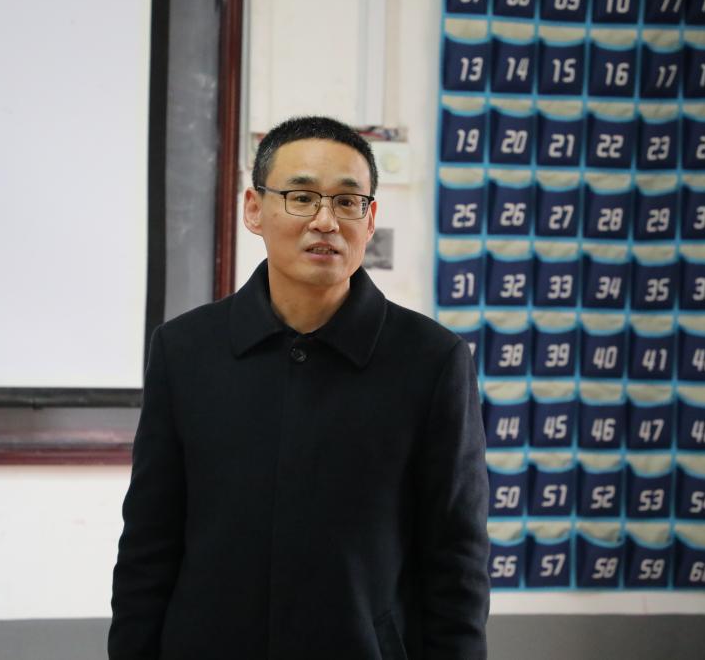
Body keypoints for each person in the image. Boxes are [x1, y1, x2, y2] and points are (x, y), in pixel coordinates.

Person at [109, 116, 490, 659]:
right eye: (302, 197)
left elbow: (456, 558)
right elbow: (149, 542)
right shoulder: (186, 351)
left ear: (369, 219)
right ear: (254, 209)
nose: (325, 221)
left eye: (347, 201)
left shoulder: (431, 361)